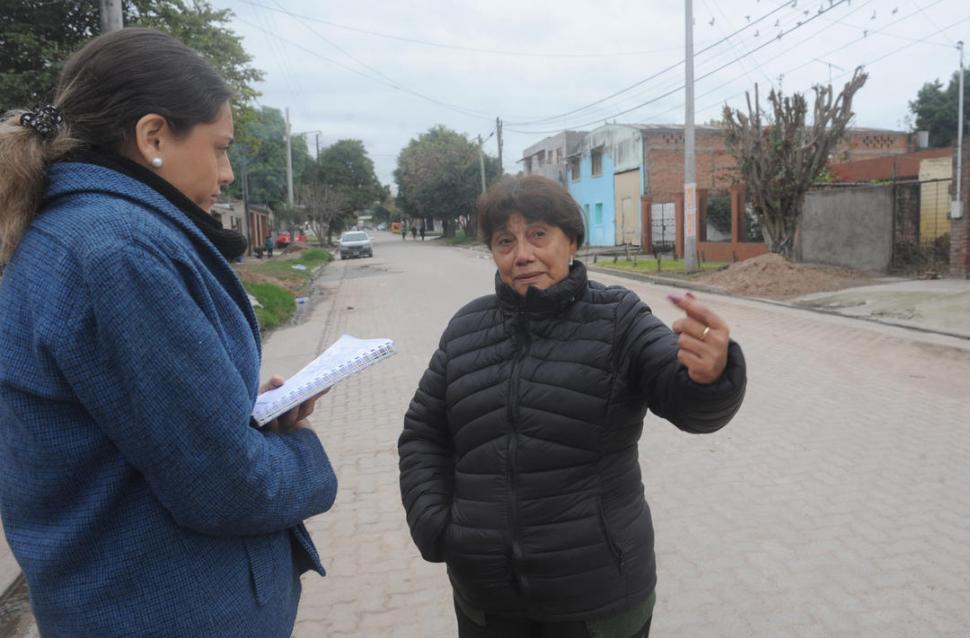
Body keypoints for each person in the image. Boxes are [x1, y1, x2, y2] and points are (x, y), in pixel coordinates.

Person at [0, 28, 338, 637]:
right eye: (219, 148)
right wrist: (303, 456)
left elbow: (137, 420)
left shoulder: (79, 233)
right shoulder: (119, 253)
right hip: (165, 611)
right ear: (153, 136)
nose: (229, 172)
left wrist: (242, 411)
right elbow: (223, 485)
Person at [399, 175, 746, 637]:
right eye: (505, 241)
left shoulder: (619, 318)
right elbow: (424, 434)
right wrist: (437, 525)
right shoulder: (466, 328)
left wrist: (712, 377)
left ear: (572, 241)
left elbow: (682, 396)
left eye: (538, 235)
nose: (522, 254)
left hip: (598, 602)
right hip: (487, 602)